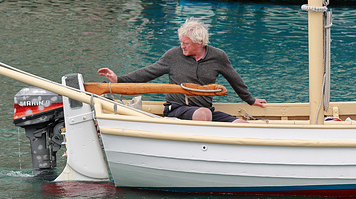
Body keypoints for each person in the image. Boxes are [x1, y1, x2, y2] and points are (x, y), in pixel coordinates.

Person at [98, 19, 267, 123]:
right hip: (176, 109)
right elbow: (149, 72)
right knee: (203, 114)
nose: (182, 46)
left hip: (205, 112)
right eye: (181, 42)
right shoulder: (173, 55)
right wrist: (118, 79)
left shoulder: (218, 56)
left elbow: (234, 78)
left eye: (185, 43)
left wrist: (250, 100)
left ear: (199, 42)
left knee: (241, 124)